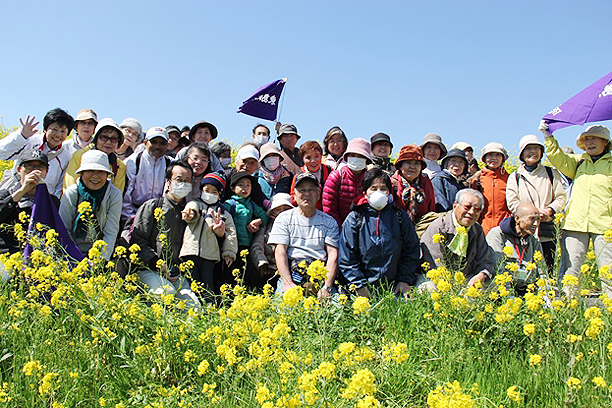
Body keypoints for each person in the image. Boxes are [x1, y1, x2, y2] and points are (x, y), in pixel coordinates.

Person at [540, 122, 612, 297]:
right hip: (575, 223)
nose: (589, 143)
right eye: (586, 140)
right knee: (570, 270)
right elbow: (557, 157)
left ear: (606, 143)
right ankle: (568, 309)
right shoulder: (578, 162)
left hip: (605, 225)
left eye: (594, 139)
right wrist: (548, 136)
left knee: (608, 271)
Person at [338, 168, 421, 298]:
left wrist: (404, 280)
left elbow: (411, 250)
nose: (379, 192)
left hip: (394, 288)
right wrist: (359, 286)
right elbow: (347, 257)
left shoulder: (400, 217)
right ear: (365, 192)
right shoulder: (355, 218)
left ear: (389, 193)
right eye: (373, 188)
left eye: (383, 189)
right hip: (361, 290)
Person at [130, 160, 200, 306]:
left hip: (176, 274)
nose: (183, 184)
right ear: (168, 181)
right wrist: (157, 264)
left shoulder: (190, 212)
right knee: (165, 293)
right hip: (149, 269)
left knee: (194, 308)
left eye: (187, 181)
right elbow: (138, 241)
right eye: (178, 180)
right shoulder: (152, 206)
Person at [268, 172, 339, 298]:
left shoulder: (329, 222)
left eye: (311, 190)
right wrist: (288, 283)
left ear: (318, 193)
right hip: (292, 272)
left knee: (336, 310)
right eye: (302, 190)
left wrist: (327, 287)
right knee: (284, 310)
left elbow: (333, 255)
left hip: (320, 275)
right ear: (294, 194)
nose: (307, 194)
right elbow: (280, 252)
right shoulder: (284, 219)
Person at [506, 134, 566, 272]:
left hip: (546, 228)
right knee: (524, 268)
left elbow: (561, 197)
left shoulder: (551, 173)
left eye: (536, 148)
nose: (532, 152)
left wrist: (550, 210)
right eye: (528, 149)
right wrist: (529, 215)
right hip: (524, 229)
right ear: (521, 154)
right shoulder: (515, 176)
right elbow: (512, 201)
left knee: (548, 266)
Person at [180, 172, 237, 300]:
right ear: (201, 190)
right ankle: (190, 308)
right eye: (206, 190)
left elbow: (231, 233)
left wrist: (229, 252)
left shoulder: (223, 213)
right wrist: (190, 213)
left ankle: (208, 309)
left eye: (214, 192)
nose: (209, 194)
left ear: (220, 194)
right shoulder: (196, 204)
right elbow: (191, 209)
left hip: (210, 255)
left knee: (207, 284)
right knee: (190, 282)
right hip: (190, 251)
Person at [421, 189, 495, 288]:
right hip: (435, 278)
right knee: (429, 289)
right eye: (467, 207)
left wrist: (482, 274)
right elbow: (434, 264)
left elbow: (484, 260)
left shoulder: (477, 230)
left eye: (477, 209)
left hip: (465, 278)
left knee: (490, 286)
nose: (471, 212)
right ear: (455, 205)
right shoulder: (438, 227)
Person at [59, 150, 122, 260]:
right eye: (90, 171)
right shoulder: (72, 193)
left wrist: (100, 261)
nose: (95, 176)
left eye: (100, 172)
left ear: (107, 175)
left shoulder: (114, 194)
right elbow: (64, 230)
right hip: (72, 252)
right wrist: (74, 258)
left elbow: (110, 232)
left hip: (100, 252)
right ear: (82, 173)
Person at [0, 108, 75, 198]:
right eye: (54, 129)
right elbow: (2, 153)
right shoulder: (29, 141)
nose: (58, 135)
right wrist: (21, 136)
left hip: (41, 200)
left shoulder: (66, 156)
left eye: (63, 131)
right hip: (15, 195)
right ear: (45, 129)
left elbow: (59, 186)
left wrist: (51, 204)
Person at [0, 151, 56, 256]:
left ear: (46, 172)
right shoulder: (5, 195)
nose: (34, 171)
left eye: (40, 167)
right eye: (29, 166)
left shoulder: (51, 201)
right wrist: (22, 191)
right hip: (7, 254)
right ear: (19, 170)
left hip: (39, 256)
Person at [222, 172, 268, 289]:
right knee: (230, 272)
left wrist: (257, 221)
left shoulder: (251, 205)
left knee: (246, 271)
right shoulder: (229, 204)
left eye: (248, 185)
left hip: (247, 245)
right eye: (241, 185)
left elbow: (264, 216)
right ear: (232, 188)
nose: (245, 188)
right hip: (232, 246)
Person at [486, 202, 544, 295]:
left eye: (538, 219)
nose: (536, 224)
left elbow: (541, 269)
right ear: (517, 218)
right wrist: (510, 296)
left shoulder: (533, 239)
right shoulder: (497, 234)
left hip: (526, 290)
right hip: (502, 290)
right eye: (532, 219)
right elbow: (497, 268)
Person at [64, 118, 127, 193]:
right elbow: (69, 187)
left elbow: (117, 193)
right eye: (104, 137)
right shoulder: (80, 156)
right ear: (96, 138)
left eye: (114, 139)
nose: (108, 142)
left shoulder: (119, 166)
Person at [322, 138, 373, 226]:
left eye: (360, 156)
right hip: (339, 229)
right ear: (347, 157)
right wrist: (342, 230)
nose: (356, 158)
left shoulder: (372, 179)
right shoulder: (336, 176)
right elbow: (329, 209)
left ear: (366, 159)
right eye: (353, 155)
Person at [122, 127, 170, 217]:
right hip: (133, 213)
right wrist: (130, 218)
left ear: (167, 145)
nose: (158, 146)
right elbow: (126, 196)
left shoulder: (171, 163)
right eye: (154, 142)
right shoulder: (132, 162)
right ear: (145, 143)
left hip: (160, 215)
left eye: (162, 143)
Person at [250, 193, 294, 287]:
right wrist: (262, 264)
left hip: (292, 271)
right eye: (278, 209)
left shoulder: (297, 227)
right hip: (269, 271)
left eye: (285, 209)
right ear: (272, 212)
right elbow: (257, 246)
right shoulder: (265, 228)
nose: (282, 212)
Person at [469, 142, 511, 234]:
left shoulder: (510, 179)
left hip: (504, 229)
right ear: (484, 158)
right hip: (482, 228)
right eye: (490, 155)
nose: (494, 158)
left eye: (497, 155)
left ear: (503, 158)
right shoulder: (477, 179)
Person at [390, 144, 435, 222]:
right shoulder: (392, 183)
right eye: (408, 162)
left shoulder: (425, 182)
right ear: (400, 166)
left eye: (416, 163)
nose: (412, 167)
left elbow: (431, 208)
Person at [223, 144, 269, 210]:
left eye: (252, 163)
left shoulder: (255, 185)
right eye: (244, 161)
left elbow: (259, 207)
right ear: (236, 160)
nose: (247, 165)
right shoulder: (225, 177)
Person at [289, 141, 331, 210]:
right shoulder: (298, 176)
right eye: (308, 157)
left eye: (316, 156)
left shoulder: (329, 171)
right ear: (303, 159)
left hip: (327, 214)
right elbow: (294, 199)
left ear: (321, 156)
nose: (313, 161)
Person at [431, 148, 468, 212]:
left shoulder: (461, 184)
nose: (457, 165)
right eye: (453, 161)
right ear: (446, 164)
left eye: (461, 162)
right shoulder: (439, 179)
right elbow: (441, 203)